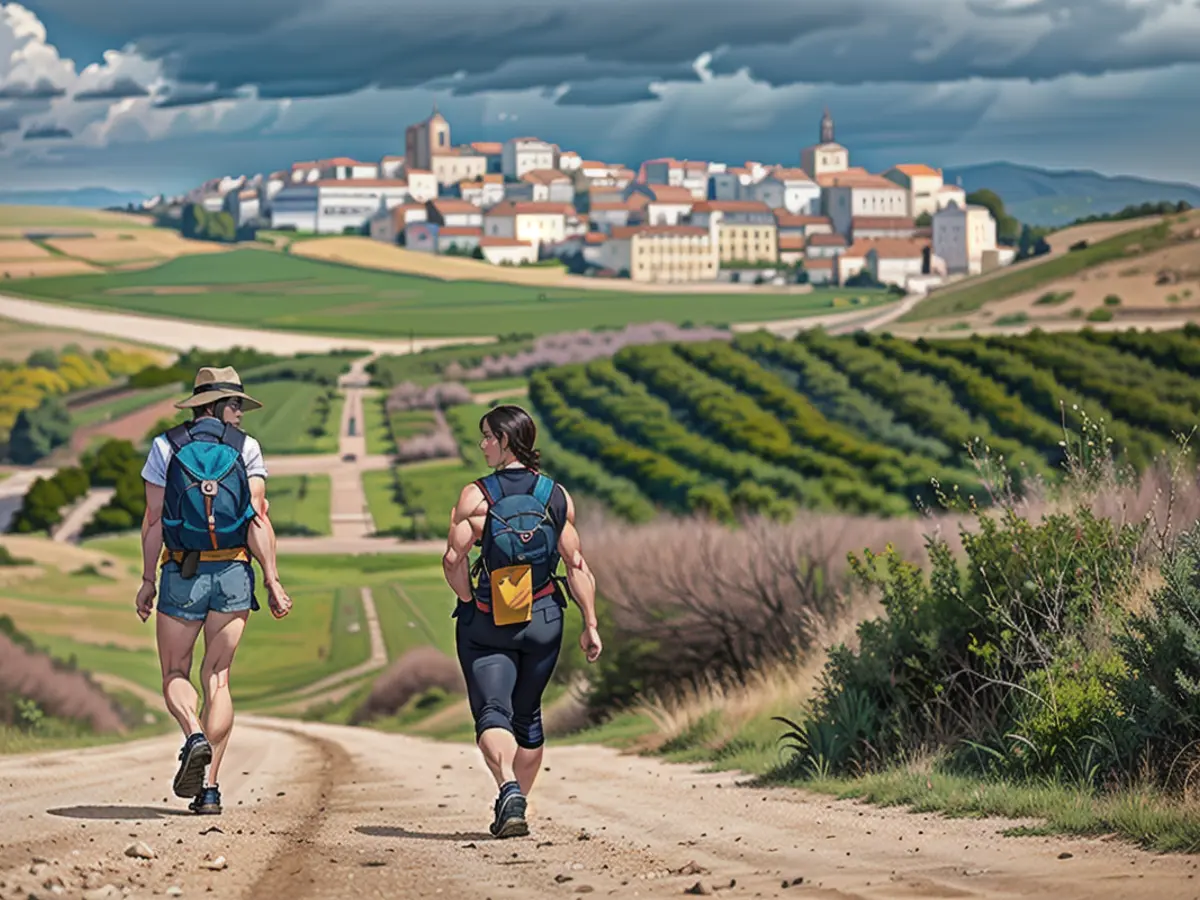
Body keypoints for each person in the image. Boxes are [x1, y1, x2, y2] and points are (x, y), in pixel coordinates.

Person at [134, 365, 292, 816]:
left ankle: (192, 734)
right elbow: (258, 515)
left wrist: (148, 581)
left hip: (182, 573)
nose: (240, 413)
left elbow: (153, 520)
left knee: (175, 672)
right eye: (236, 404)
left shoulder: (165, 446)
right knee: (218, 677)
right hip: (233, 574)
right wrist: (273, 579)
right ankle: (210, 790)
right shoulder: (248, 449)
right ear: (217, 405)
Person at [443, 404, 602, 839]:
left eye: (487, 437)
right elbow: (578, 564)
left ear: (505, 441)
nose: (482, 445)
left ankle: (508, 788)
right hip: (545, 616)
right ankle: (517, 808)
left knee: (493, 711)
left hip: (491, 618)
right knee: (528, 718)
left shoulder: (475, 497)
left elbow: (454, 560)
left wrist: (469, 600)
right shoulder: (557, 496)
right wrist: (590, 622)